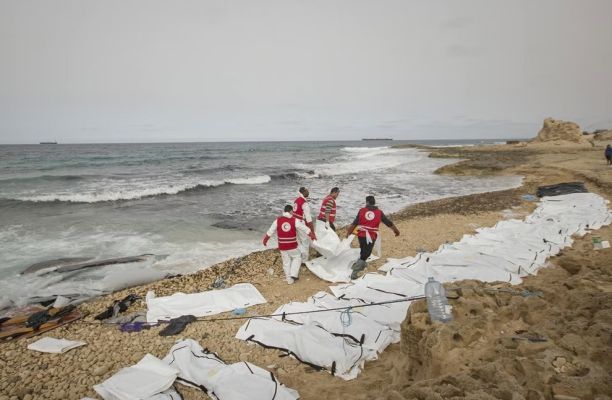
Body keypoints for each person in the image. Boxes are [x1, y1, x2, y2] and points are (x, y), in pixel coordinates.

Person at [346, 195, 400, 279]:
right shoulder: (379, 212)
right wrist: (396, 230)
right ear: (374, 202)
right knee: (366, 253)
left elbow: (355, 223)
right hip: (371, 236)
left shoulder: (361, 210)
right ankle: (355, 272)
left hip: (361, 235)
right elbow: (388, 222)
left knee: (364, 250)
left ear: (367, 202)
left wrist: (348, 232)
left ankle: (360, 264)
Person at [263, 205, 316, 284]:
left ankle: (289, 280)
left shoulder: (277, 220)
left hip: (282, 246)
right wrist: (312, 235)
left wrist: (265, 240)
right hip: (292, 245)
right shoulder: (295, 220)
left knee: (286, 262)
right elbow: (304, 228)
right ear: (291, 211)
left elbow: (270, 231)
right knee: (297, 257)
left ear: (284, 211)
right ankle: (293, 274)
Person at [293, 187, 314, 262]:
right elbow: (309, 219)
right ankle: (304, 261)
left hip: (294, 222)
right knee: (305, 241)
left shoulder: (296, 200)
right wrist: (312, 231)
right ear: (304, 192)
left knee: (299, 241)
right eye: (307, 190)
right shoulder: (304, 203)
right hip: (300, 223)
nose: (308, 191)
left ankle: (298, 256)